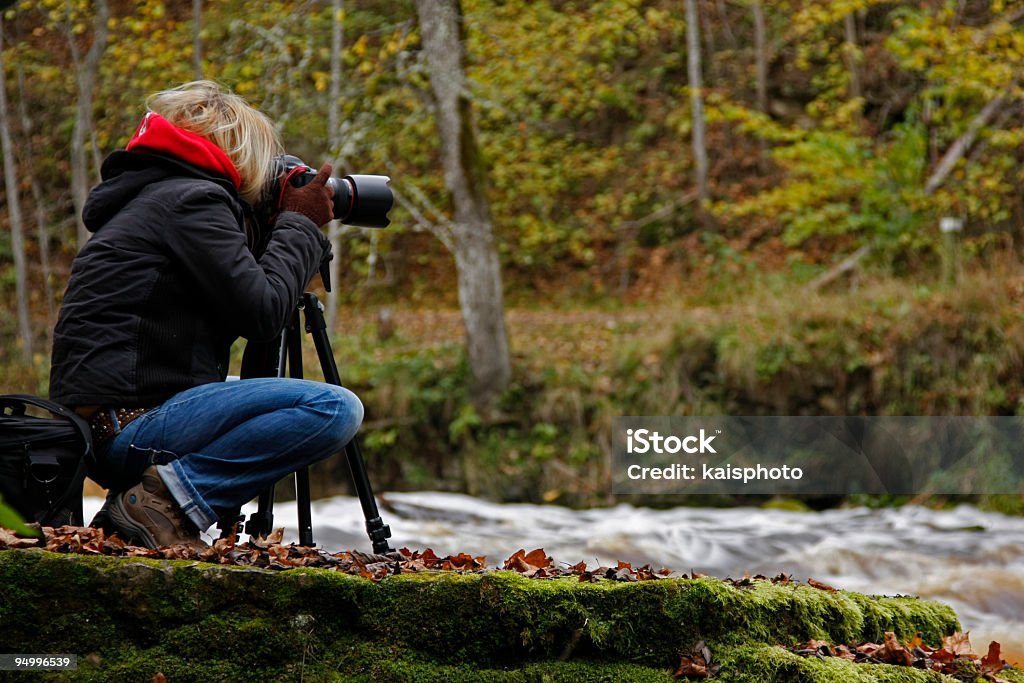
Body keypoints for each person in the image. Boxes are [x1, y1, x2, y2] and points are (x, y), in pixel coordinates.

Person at [49, 81, 364, 549]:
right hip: (132, 425)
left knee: (307, 402)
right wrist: (298, 223)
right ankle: (163, 503)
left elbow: (251, 309)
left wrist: (271, 229)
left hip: (104, 427)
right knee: (333, 408)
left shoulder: (154, 199)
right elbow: (262, 314)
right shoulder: (193, 201)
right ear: (237, 152)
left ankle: (159, 500)